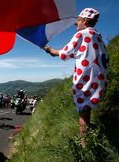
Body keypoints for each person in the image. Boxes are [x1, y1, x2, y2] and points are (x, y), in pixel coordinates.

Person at [44, 8, 109, 147]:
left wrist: (50, 50)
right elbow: (82, 53)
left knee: (83, 111)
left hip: (85, 78)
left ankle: (85, 147)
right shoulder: (98, 35)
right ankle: (92, 133)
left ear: (85, 20)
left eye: (78, 20)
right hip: (100, 78)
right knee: (88, 108)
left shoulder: (81, 34)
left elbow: (65, 53)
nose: (76, 24)